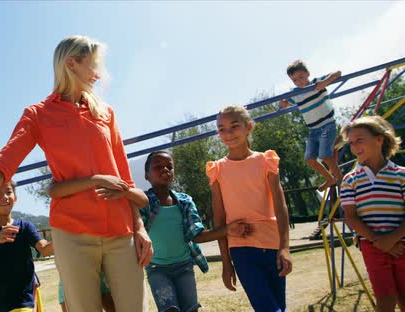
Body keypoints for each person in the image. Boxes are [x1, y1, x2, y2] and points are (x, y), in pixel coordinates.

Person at [0, 35, 151, 312]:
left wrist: (140, 227)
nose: (98, 74)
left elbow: (124, 177)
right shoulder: (38, 114)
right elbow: (5, 161)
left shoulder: (106, 112)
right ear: (71, 64)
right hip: (72, 233)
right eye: (93, 65)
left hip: (121, 230)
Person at [140, 150, 252, 312]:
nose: (165, 169)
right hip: (157, 269)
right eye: (158, 167)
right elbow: (135, 230)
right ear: (147, 175)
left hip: (184, 266)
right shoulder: (143, 203)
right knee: (169, 309)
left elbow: (197, 236)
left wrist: (228, 229)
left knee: (191, 309)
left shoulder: (185, 202)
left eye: (169, 167)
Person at [206, 105, 292, 312]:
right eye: (221, 129)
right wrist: (226, 263)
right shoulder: (217, 169)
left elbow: (280, 206)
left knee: (279, 306)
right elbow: (220, 218)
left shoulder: (266, 161)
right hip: (241, 249)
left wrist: (285, 247)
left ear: (249, 127)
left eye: (234, 126)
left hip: (273, 246)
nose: (228, 134)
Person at [339, 116, 405, 312]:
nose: (355, 146)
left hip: (402, 244)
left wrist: (393, 239)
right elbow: (351, 216)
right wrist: (379, 241)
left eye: (360, 140)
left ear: (379, 139)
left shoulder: (401, 175)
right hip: (372, 246)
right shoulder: (350, 180)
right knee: (385, 301)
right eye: (351, 142)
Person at [0, 180, 53, 312]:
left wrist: (63, 236)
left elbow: (44, 249)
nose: (4, 197)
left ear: (15, 198)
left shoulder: (25, 227)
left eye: (8, 192)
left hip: (21, 301)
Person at [279, 60, 343, 191]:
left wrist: (325, 82)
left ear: (308, 74)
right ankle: (330, 179)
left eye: (301, 77)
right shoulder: (296, 94)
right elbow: (284, 102)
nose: (299, 82)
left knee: (325, 155)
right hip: (313, 131)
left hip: (327, 125)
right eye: (295, 80)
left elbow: (338, 73)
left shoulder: (316, 83)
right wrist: (283, 103)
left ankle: (340, 180)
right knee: (309, 159)